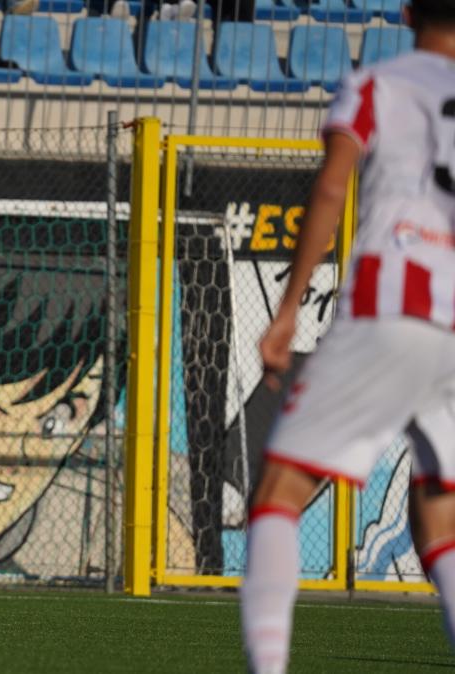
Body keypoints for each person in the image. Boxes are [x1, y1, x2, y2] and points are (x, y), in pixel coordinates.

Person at [241, 1, 455, 671]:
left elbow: (333, 188)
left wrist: (287, 311)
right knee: (441, 522)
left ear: (408, 11)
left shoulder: (378, 84)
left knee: (277, 492)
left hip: (392, 306)